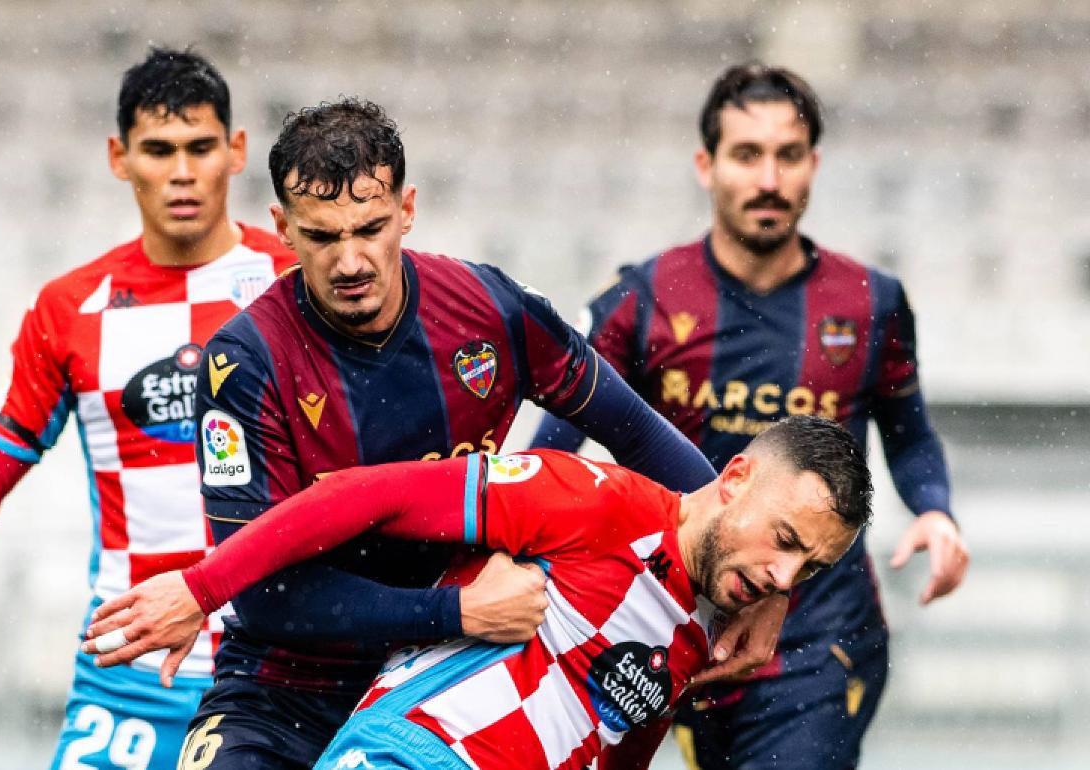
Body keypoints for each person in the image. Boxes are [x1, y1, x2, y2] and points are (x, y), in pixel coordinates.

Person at [71, 98, 785, 770]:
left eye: (369, 229)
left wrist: (764, 595)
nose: (349, 262)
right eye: (321, 237)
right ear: (284, 229)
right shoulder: (244, 362)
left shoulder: (489, 309)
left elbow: (636, 430)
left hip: (452, 674)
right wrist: (455, 608)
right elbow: (262, 594)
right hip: (286, 683)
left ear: (406, 211)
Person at [532, 63, 971, 769]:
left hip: (819, 640)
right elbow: (554, 439)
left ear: (813, 166)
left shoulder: (869, 301)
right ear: (706, 165)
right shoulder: (641, 299)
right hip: (681, 631)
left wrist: (936, 509)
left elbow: (910, 431)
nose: (769, 178)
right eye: (747, 155)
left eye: (787, 156)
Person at [0, 48, 298, 770]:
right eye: (158, 151)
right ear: (118, 158)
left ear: (237, 151)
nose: (183, 172)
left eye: (200, 148)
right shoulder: (71, 309)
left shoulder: (293, 284)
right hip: (127, 674)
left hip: (273, 668)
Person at [83, 415, 871, 770]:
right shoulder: (594, 500)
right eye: (786, 543)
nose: (784, 577)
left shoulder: (698, 633)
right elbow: (366, 496)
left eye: (810, 569)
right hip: (417, 753)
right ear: (733, 480)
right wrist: (203, 584)